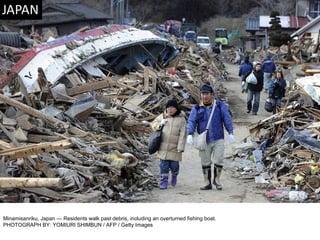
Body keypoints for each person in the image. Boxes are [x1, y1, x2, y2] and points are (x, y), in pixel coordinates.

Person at [186, 84, 234, 190]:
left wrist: (230, 132)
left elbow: (227, 118)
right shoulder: (197, 108)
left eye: (207, 94)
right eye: (203, 94)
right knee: (205, 161)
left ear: (211, 95)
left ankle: (217, 180)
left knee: (218, 160)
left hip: (218, 138)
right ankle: (207, 182)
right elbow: (192, 121)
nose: (205, 96)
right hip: (204, 140)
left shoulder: (219, 106)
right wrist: (189, 133)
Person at [150, 99, 186, 189]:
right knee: (163, 165)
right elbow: (153, 124)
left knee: (174, 166)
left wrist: (180, 147)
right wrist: (160, 124)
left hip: (175, 148)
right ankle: (164, 181)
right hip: (163, 146)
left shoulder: (181, 120)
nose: (170, 110)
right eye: (168, 108)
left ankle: (174, 175)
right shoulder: (163, 117)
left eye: (172, 108)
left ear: (176, 109)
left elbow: (183, 134)